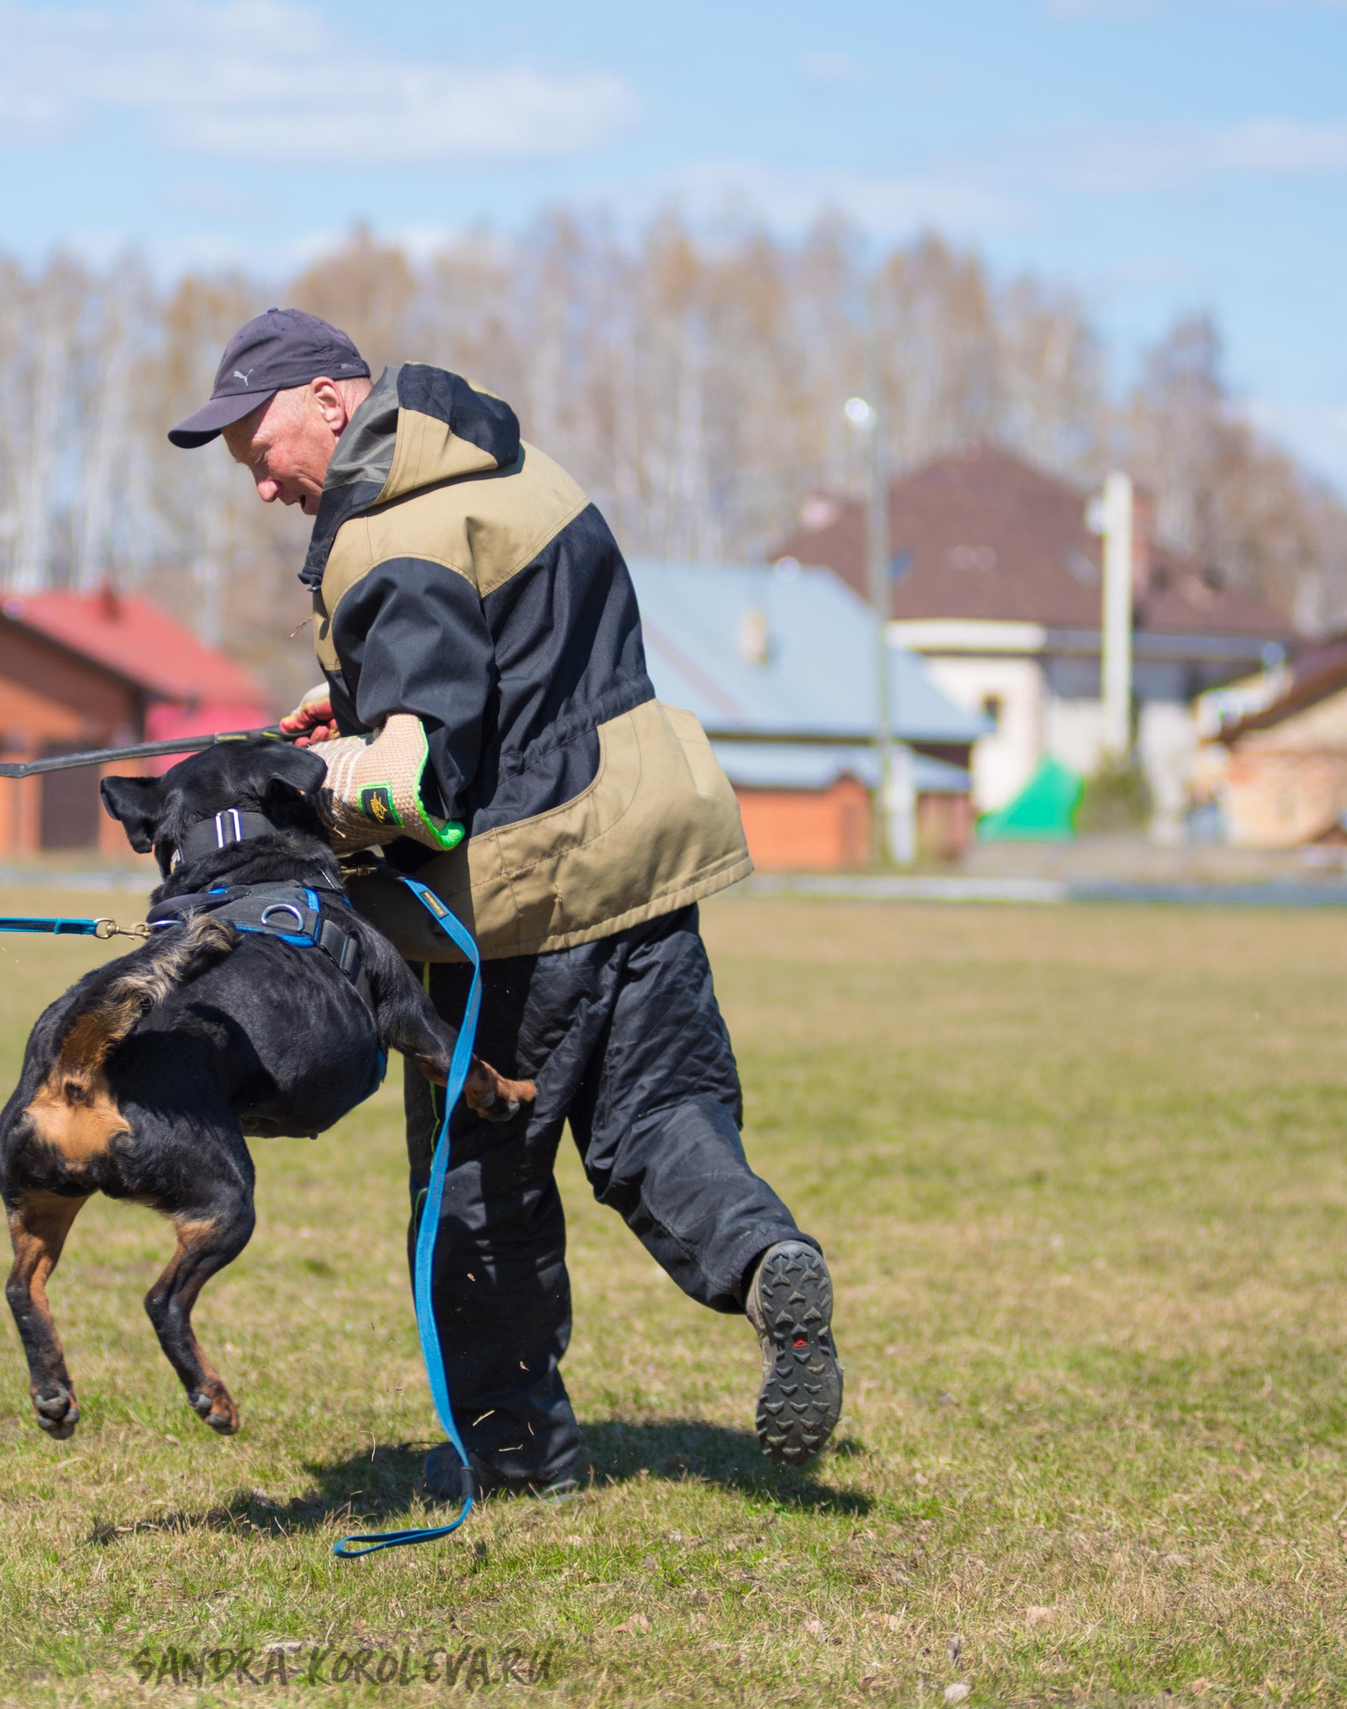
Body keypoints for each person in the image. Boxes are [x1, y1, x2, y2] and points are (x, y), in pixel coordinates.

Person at [167, 308, 842, 1496]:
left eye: (256, 444)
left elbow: (424, 769)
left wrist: (326, 787)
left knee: (477, 1188)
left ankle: (517, 1455)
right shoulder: (511, 470)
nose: (260, 482)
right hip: (644, 849)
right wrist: (354, 692)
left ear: (331, 400)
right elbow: (511, 660)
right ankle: (765, 1255)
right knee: (660, 1121)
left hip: (522, 896)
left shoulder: (389, 533)